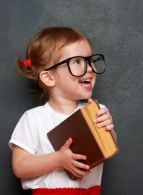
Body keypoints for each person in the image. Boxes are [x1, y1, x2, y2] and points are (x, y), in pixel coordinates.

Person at [8, 26, 116, 195]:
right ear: (49, 77)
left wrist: (108, 129)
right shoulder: (33, 118)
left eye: (90, 60)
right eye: (77, 62)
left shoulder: (96, 110)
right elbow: (20, 167)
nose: (89, 68)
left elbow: (108, 147)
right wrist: (58, 159)